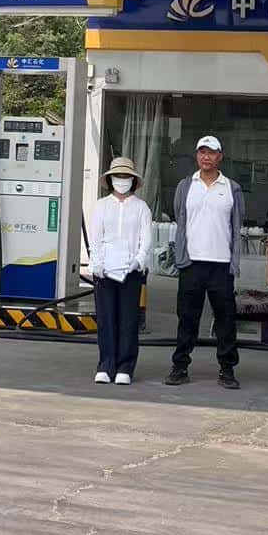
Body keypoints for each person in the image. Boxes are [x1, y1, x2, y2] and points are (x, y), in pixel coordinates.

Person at [165, 134, 245, 389]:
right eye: (202, 152)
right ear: (196, 155)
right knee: (187, 318)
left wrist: (234, 262)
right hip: (192, 263)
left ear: (220, 156)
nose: (206, 157)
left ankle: (227, 369)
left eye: (211, 152)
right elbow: (180, 219)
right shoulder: (186, 186)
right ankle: (180, 367)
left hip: (221, 264)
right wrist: (181, 257)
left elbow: (237, 226)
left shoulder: (231, 188)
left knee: (225, 319)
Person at [87, 156, 152, 384]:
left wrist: (139, 260)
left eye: (126, 176)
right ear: (110, 179)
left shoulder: (141, 207)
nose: (122, 180)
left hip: (131, 271)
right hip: (104, 270)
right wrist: (97, 263)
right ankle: (106, 365)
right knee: (106, 318)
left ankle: (125, 366)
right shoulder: (101, 206)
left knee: (128, 319)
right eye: (118, 176)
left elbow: (146, 238)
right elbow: (95, 238)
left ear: (132, 180)